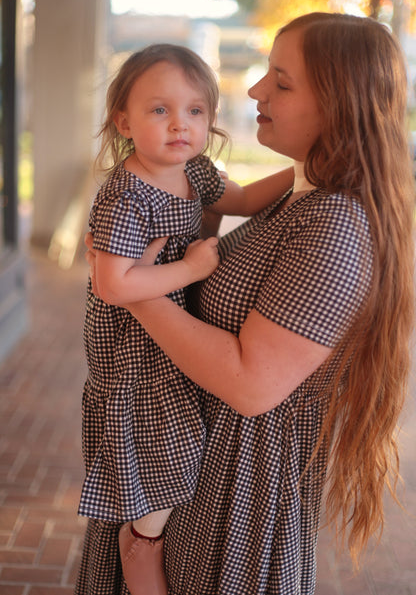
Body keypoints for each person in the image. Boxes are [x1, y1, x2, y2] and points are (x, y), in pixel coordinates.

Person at [81, 13, 415, 595]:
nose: (256, 90)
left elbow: (251, 383)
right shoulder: (305, 193)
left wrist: (134, 287)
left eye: (281, 82)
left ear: (340, 104)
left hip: (238, 493)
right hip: (188, 453)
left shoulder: (336, 223)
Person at [76, 43, 294, 595]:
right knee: (177, 461)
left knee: (180, 454)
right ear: (123, 120)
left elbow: (241, 198)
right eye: (160, 110)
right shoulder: (126, 195)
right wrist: (193, 268)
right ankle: (142, 545)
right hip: (131, 354)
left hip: (163, 338)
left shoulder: (192, 169)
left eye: (195, 111)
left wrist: (305, 174)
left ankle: (143, 532)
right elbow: (112, 283)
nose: (181, 125)